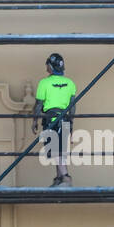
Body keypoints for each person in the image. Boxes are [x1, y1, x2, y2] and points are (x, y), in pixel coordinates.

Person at [32, 52, 77, 187]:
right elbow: (73, 106)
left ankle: (65, 177)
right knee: (60, 148)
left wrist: (34, 120)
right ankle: (59, 178)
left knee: (55, 149)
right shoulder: (70, 83)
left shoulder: (44, 83)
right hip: (65, 118)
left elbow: (39, 105)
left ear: (50, 67)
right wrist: (72, 123)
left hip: (51, 118)